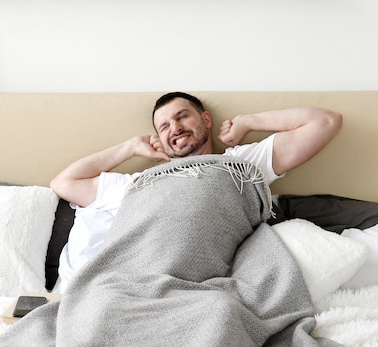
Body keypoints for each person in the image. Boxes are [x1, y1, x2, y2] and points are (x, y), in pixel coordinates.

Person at [49, 92, 342, 293]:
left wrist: (248, 122)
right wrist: (128, 148)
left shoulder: (241, 164)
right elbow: (64, 183)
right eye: (164, 126)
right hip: (132, 279)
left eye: (182, 117)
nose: (174, 128)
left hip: (200, 282)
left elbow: (325, 122)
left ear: (205, 120)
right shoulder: (138, 182)